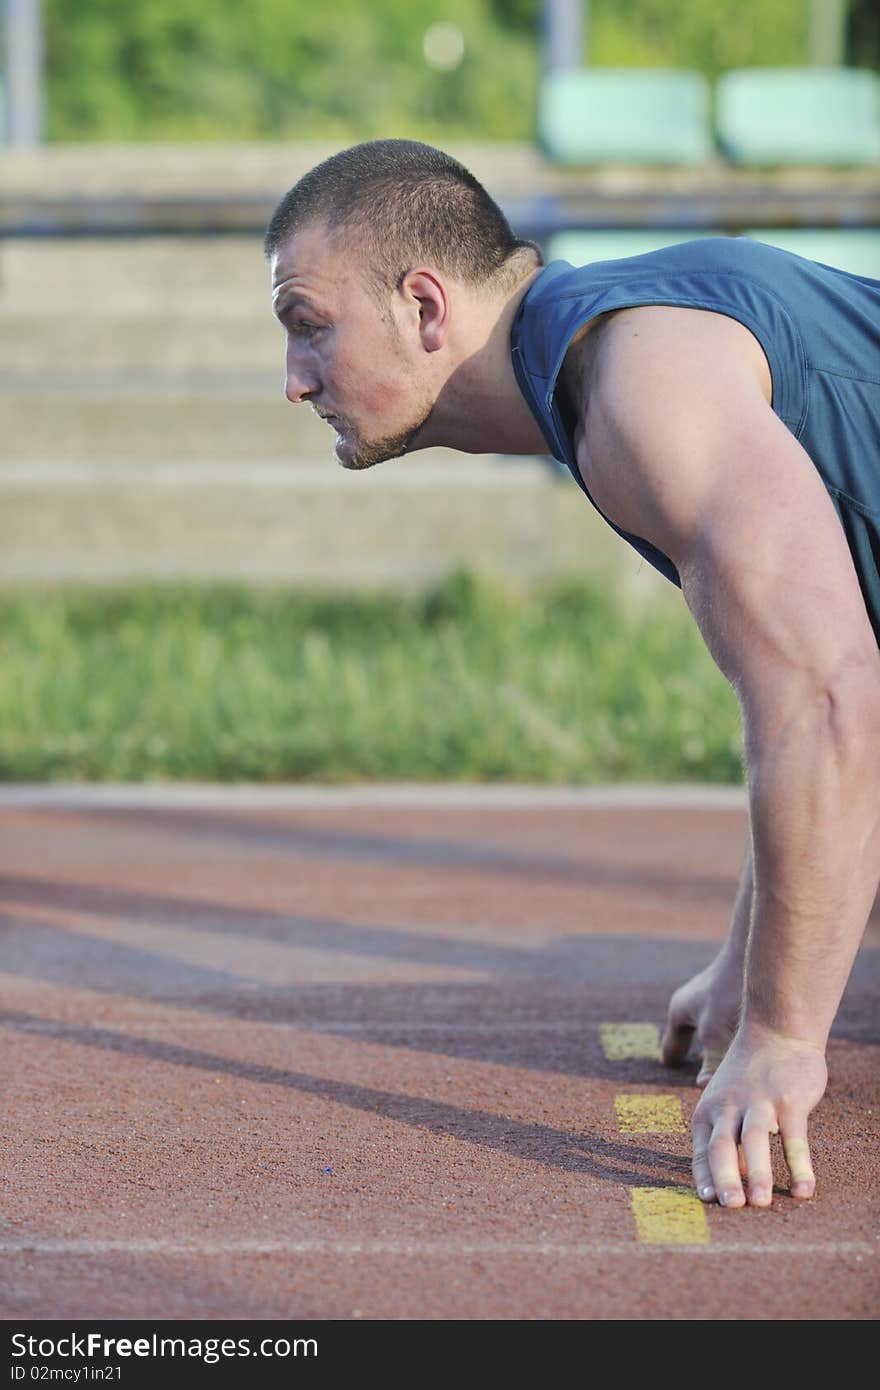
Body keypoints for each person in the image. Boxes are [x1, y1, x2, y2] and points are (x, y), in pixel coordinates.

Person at [265, 138, 880, 1210]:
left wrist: (784, 1032)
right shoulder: (617, 359)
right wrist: (752, 959)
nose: (294, 379)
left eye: (308, 325)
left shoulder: (643, 385)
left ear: (423, 306)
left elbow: (828, 697)